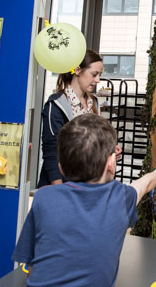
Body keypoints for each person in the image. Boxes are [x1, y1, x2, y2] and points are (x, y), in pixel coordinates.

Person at [12, 113, 156, 287]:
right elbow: (144, 185)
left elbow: (31, 270)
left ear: (61, 167)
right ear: (111, 163)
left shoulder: (43, 198)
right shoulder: (120, 197)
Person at [38, 49, 121, 187]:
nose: (98, 80)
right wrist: (59, 190)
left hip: (86, 187)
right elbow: (51, 152)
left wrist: (109, 149)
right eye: (94, 74)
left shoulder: (93, 102)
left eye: (100, 75)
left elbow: (92, 144)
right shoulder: (56, 104)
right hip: (61, 186)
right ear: (77, 70)